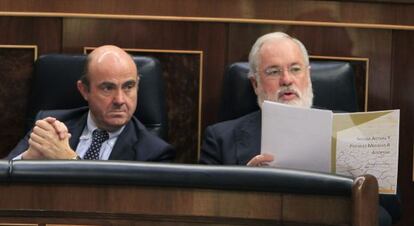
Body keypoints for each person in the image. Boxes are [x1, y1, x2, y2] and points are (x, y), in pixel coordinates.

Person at [199, 32, 399, 226]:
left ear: (308, 75)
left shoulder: (352, 130)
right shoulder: (220, 139)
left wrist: (363, 181)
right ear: (255, 84)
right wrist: (247, 183)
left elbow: (390, 210)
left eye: (295, 69)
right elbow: (203, 212)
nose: (286, 80)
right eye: (274, 71)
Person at [6, 45, 174, 162]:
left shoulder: (154, 152)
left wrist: (69, 160)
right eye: (108, 88)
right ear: (84, 90)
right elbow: (5, 174)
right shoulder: (52, 125)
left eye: (129, 87)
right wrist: (27, 158)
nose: (120, 100)